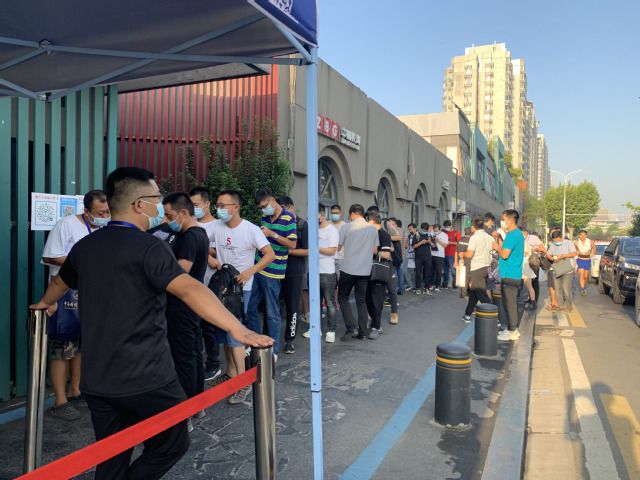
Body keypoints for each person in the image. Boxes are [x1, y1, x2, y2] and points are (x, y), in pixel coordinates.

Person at [31, 167, 272, 480]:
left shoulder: (86, 246)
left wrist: (44, 303)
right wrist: (238, 328)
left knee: (111, 457)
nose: (160, 207)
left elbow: (59, 284)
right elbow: (189, 288)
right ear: (139, 205)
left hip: (99, 378)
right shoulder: (150, 247)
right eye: (156, 199)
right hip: (147, 376)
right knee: (172, 444)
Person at [41, 190, 110, 421]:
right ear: (87, 212)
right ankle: (60, 401)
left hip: (90, 295)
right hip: (64, 294)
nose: (105, 216)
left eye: (108, 212)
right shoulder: (67, 225)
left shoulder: (104, 230)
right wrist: (83, 262)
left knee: (80, 346)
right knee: (63, 348)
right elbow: (50, 256)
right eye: (100, 212)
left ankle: (75, 390)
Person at [207, 190, 275, 404]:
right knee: (224, 331)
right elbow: (199, 242)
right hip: (221, 287)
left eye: (222, 205)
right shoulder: (215, 227)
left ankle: (243, 382)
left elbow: (270, 255)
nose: (218, 209)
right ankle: (231, 373)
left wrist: (248, 272)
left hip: (240, 290)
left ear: (236, 207)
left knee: (234, 333)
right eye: (217, 204)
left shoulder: (251, 230)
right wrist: (210, 258)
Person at [162, 193, 210, 430]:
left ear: (183, 212)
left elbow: (181, 271)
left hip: (182, 304)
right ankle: (198, 403)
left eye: (169, 215)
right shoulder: (196, 233)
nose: (166, 219)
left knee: (184, 356)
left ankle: (186, 411)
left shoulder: (190, 237)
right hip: (190, 303)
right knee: (192, 353)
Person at [246, 189, 297, 355]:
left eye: (265, 206)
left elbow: (292, 244)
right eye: (261, 208)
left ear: (272, 200)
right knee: (250, 308)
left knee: (272, 312)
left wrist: (272, 234)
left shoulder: (289, 218)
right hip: (258, 267)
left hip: (274, 272)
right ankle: (256, 342)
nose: (263, 209)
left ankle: (272, 350)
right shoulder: (265, 217)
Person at [189, 187, 221, 383]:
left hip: (211, 283)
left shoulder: (218, 226)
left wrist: (203, 250)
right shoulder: (189, 224)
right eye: (191, 205)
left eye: (197, 204)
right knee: (195, 326)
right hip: (192, 284)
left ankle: (214, 363)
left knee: (210, 326)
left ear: (207, 204)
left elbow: (219, 253)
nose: (194, 209)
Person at [337, 204, 379, 340]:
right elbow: (375, 251)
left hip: (348, 269)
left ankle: (351, 328)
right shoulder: (373, 229)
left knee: (343, 297)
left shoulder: (346, 227)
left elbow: (338, 247)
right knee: (361, 301)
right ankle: (363, 332)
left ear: (352, 214)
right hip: (365, 270)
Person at [303, 205, 340, 342]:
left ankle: (331, 331)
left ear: (322, 215)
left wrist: (316, 246)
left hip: (327, 272)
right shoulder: (311, 230)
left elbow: (332, 251)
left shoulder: (332, 231)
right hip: (312, 271)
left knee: (329, 303)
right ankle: (315, 329)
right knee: (314, 302)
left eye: (314, 215)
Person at [277, 196, 308, 355]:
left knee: (292, 306)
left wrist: (290, 251)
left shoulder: (302, 225)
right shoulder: (276, 223)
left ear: (291, 208)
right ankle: (271, 339)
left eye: (283, 208)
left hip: (294, 272)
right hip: (276, 270)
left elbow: (308, 250)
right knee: (273, 306)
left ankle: (290, 340)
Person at [492, 210, 525, 341]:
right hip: (511, 273)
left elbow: (504, 254)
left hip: (510, 274)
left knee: (510, 305)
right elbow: (505, 249)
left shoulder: (513, 235)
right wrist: (499, 240)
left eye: (504, 219)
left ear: (511, 220)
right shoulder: (514, 234)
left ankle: (512, 331)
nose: (502, 222)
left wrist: (496, 247)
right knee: (507, 304)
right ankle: (510, 329)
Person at [461, 218, 494, 323]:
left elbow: (470, 254)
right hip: (487, 267)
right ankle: (467, 314)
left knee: (481, 294)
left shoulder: (474, 238)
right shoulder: (490, 237)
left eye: (471, 226)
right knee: (474, 293)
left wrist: (462, 254)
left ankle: (495, 317)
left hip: (477, 268)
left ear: (473, 227)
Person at [366, 212, 393, 339]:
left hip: (378, 271)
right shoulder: (368, 233)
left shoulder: (383, 235)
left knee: (377, 300)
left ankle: (375, 327)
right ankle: (374, 322)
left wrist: (373, 252)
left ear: (372, 222)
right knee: (367, 299)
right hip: (366, 270)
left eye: (367, 221)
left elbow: (386, 254)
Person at [541, 230, 578, 312]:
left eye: (558, 240)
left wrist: (563, 255)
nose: (556, 242)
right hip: (557, 269)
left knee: (566, 289)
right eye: (554, 241)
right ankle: (560, 305)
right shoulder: (552, 245)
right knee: (557, 289)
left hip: (567, 270)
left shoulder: (568, 243)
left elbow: (574, 253)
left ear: (561, 238)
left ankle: (568, 306)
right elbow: (549, 255)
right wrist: (552, 258)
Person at [413, 222, 434, 296]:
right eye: (423, 229)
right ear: (421, 228)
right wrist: (421, 242)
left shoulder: (429, 235)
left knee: (428, 273)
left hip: (427, 256)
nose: (424, 231)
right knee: (418, 272)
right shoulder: (417, 234)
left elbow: (434, 246)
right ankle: (418, 288)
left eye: (425, 230)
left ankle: (427, 288)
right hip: (418, 257)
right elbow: (414, 246)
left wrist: (429, 242)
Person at [521, 227, 538, 310]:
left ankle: (533, 302)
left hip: (526, 267)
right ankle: (531, 300)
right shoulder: (524, 242)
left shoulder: (523, 243)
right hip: (524, 266)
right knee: (528, 286)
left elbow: (525, 253)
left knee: (529, 286)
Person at [574, 229, 595, 296]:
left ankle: (584, 286)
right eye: (581, 235)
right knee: (581, 275)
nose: (582, 236)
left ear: (586, 235)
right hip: (580, 259)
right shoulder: (576, 242)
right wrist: (575, 258)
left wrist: (592, 255)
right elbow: (574, 251)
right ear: (579, 235)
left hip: (587, 260)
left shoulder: (590, 242)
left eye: (584, 235)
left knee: (585, 276)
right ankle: (582, 289)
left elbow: (594, 248)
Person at [442, 220, 461, 289]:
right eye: (445, 227)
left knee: (453, 270)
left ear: (451, 225)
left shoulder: (456, 233)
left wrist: (450, 243)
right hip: (444, 254)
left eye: (447, 227)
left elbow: (459, 243)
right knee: (445, 270)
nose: (446, 228)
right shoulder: (445, 233)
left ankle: (455, 285)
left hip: (452, 254)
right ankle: (445, 284)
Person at [431, 223, 448, 292]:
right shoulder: (431, 233)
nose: (435, 231)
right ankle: (432, 284)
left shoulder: (444, 235)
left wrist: (438, 240)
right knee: (431, 271)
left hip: (439, 255)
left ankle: (437, 285)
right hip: (431, 254)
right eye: (434, 230)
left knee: (439, 271)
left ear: (440, 229)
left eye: (437, 230)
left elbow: (445, 245)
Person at [456, 227, 472, 298]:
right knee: (468, 277)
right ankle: (465, 292)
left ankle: (463, 292)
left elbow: (456, 251)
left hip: (461, 260)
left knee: (463, 276)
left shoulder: (460, 240)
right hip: (469, 260)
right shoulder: (471, 240)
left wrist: (455, 261)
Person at [405, 223, 417, 291]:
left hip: (415, 255)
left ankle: (414, 286)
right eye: (409, 229)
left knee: (413, 272)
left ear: (415, 228)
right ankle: (410, 285)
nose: (409, 231)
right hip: (410, 255)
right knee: (408, 271)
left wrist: (415, 254)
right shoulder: (409, 236)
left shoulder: (418, 235)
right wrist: (406, 242)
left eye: (410, 229)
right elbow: (407, 246)